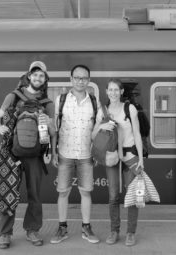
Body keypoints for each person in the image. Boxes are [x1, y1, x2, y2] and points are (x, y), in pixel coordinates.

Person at [0, 61, 55, 248]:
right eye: (35, 74)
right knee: (9, 191)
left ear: (45, 79)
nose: (38, 78)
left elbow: (53, 130)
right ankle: (5, 233)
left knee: (34, 194)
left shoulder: (48, 103)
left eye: (41, 75)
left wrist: (48, 122)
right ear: (29, 76)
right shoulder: (13, 96)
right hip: (12, 152)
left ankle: (32, 229)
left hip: (35, 154)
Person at [50, 64, 100, 244]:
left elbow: (97, 130)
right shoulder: (61, 100)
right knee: (63, 192)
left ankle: (86, 228)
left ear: (88, 80)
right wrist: (54, 152)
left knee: (86, 192)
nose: (80, 81)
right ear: (71, 79)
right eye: (77, 77)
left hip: (86, 155)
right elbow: (55, 129)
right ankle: (62, 228)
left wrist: (97, 151)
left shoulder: (94, 102)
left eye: (84, 78)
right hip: (65, 153)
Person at [92, 78, 144, 246]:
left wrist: (141, 159)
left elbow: (137, 134)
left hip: (130, 155)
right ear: (106, 92)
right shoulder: (103, 110)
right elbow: (93, 135)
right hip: (112, 155)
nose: (113, 92)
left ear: (121, 92)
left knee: (132, 196)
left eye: (116, 90)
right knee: (113, 196)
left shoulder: (130, 108)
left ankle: (130, 232)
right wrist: (101, 127)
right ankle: (114, 231)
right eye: (110, 90)